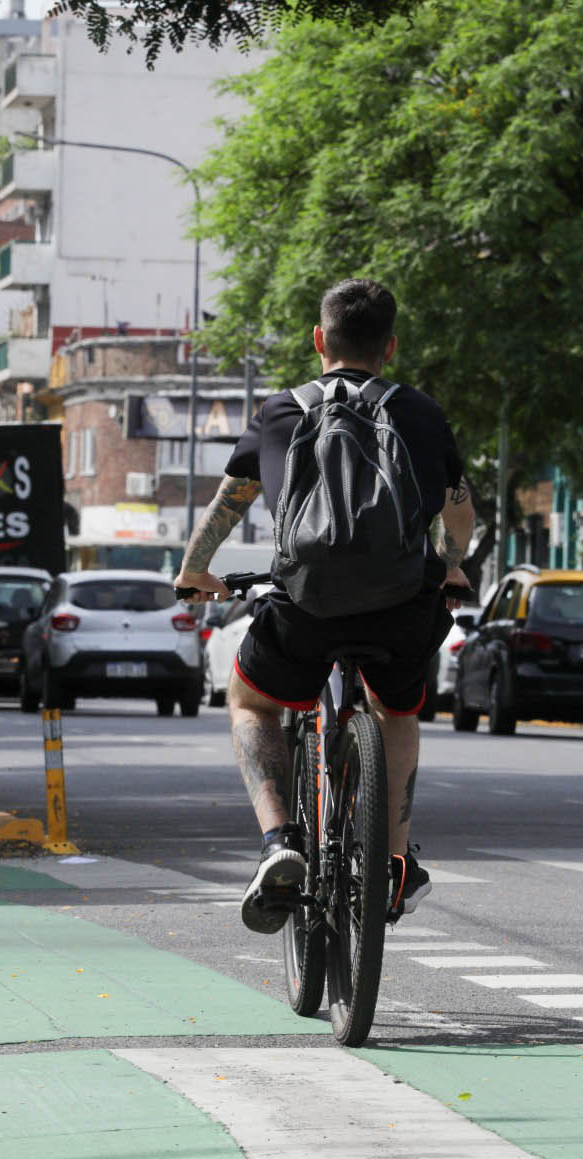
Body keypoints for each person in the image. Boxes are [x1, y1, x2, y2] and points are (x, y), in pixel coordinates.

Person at [174, 278, 475, 934]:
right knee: (398, 710)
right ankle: (394, 862)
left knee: (251, 701)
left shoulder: (282, 412)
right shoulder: (421, 415)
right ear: (390, 347)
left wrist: (195, 570)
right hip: (400, 607)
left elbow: (230, 502)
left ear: (319, 340)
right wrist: (452, 568)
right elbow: (459, 513)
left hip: (306, 608)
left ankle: (280, 839)